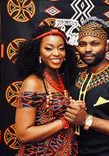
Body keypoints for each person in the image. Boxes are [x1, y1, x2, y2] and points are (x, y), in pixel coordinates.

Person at [64, 17, 109, 156]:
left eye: (94, 43)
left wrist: (87, 119)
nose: (87, 49)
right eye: (82, 44)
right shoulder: (78, 78)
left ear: (106, 46)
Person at [15, 25, 79, 155]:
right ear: (38, 51)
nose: (56, 53)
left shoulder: (61, 78)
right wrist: (65, 121)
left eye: (61, 48)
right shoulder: (32, 83)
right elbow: (23, 135)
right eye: (49, 48)